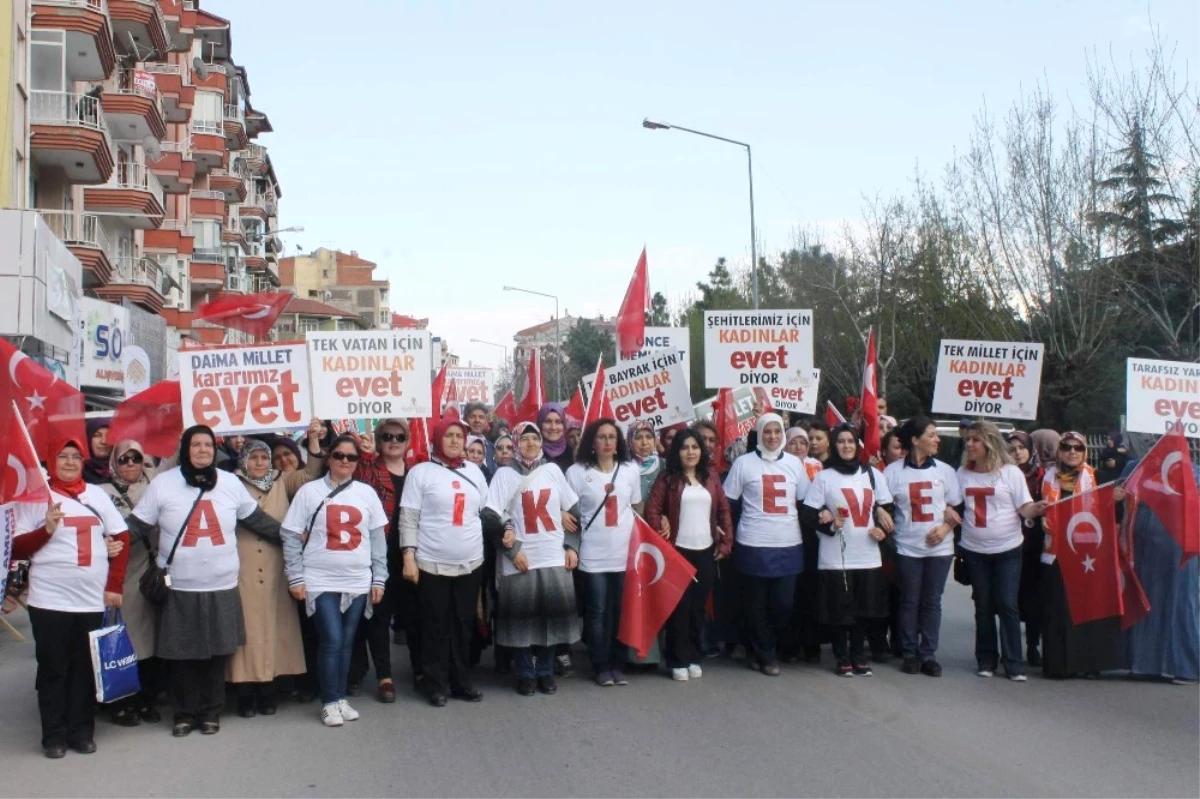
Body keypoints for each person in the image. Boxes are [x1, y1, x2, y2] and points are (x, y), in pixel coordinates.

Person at [126, 425, 282, 737]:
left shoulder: (229, 483)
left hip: (221, 584)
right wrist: (107, 542)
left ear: (215, 449)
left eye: (207, 445)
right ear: (185, 449)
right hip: (180, 585)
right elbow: (137, 525)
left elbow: (257, 520)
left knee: (216, 653)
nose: (202, 450)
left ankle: (211, 712)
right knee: (181, 655)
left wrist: (294, 537)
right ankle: (184, 714)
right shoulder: (164, 484)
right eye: (195, 445)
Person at [13, 434, 130, 758]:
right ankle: (53, 735)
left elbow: (121, 536)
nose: (68, 462)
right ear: (51, 461)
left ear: (83, 462)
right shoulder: (37, 498)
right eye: (62, 456)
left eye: (75, 457)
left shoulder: (96, 495)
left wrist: (114, 586)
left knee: (83, 668)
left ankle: (81, 731)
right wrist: (46, 528)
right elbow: (17, 547)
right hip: (49, 600)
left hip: (90, 599)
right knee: (53, 668)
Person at [282, 434, 386, 727]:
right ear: (329, 457)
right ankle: (328, 701)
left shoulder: (367, 493)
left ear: (357, 461)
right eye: (339, 455)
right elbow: (290, 534)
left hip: (357, 579)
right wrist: (296, 576)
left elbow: (378, 540)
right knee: (332, 639)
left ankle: (340, 697)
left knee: (347, 642)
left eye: (351, 457)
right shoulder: (309, 492)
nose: (344, 461)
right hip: (320, 577)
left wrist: (380, 579)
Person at [227, 426, 324, 718]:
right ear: (243, 459)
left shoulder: (283, 480)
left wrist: (315, 438)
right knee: (247, 634)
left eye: (263, 458)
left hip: (276, 568)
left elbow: (312, 473)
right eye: (253, 458)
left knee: (274, 629)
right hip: (242, 569)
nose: (259, 463)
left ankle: (269, 692)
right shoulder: (230, 484)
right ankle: (245, 695)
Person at [483, 422, 581, 696]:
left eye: (534, 439)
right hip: (521, 559)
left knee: (550, 618)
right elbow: (490, 517)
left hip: (552, 556)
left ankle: (546, 671)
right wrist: (512, 552)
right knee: (522, 621)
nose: (530, 443)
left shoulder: (553, 471)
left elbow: (574, 510)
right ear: (516, 442)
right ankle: (525, 672)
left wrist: (572, 547)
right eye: (524, 439)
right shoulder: (504, 474)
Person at [399, 417, 489, 707]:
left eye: (459, 436)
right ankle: (435, 683)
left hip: (470, 562)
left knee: (463, 623)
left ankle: (461, 680)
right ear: (438, 439)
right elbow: (409, 517)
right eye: (448, 435)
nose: (454, 440)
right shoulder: (420, 473)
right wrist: (408, 557)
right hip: (431, 562)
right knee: (435, 624)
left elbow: (485, 511)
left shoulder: (474, 471)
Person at [957, 420, 1047, 681]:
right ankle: (986, 659)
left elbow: (1024, 508)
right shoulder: (963, 473)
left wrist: (1037, 509)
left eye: (976, 439)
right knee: (983, 605)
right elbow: (951, 502)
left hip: (1007, 548)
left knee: (1008, 604)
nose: (970, 444)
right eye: (969, 440)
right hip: (974, 549)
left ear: (989, 442)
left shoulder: (1011, 473)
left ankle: (1014, 662)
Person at [722, 413, 811, 676]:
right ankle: (765, 654)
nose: (772, 436)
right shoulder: (743, 464)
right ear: (759, 433)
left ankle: (763, 646)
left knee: (783, 604)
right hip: (753, 543)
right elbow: (729, 503)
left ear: (783, 433)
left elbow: (805, 501)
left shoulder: (795, 464)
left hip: (788, 544)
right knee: (755, 604)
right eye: (767, 431)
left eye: (776, 431)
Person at [803, 424, 894, 677]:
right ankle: (842, 656)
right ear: (834, 445)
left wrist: (883, 529)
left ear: (858, 445)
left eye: (851, 441)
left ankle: (859, 655)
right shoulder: (824, 476)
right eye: (841, 441)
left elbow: (887, 509)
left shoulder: (873, 475)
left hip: (868, 555)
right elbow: (809, 514)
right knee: (840, 611)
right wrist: (829, 524)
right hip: (836, 557)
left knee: (863, 612)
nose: (846, 446)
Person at [645, 429, 733, 681]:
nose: (691, 452)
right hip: (677, 552)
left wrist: (726, 543)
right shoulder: (667, 479)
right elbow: (653, 511)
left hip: (705, 551)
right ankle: (677, 659)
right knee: (679, 610)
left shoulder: (711, 477)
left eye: (695, 447)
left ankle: (694, 656)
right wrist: (661, 528)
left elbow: (724, 511)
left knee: (698, 609)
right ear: (677, 452)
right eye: (685, 447)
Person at [1039, 431, 1123, 679]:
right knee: (1057, 608)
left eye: (1077, 447)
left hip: (1088, 554)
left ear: (1085, 451)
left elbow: (1113, 517)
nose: (1072, 452)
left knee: (1086, 608)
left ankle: (1087, 663)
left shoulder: (1099, 477)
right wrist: (1042, 516)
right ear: (1059, 451)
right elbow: (1036, 507)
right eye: (1066, 447)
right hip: (1055, 553)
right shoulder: (1047, 479)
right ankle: (1059, 664)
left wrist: (1115, 500)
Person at [567, 420, 642, 686]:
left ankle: (618, 663)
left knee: (620, 610)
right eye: (602, 437)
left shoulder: (630, 470)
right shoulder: (576, 473)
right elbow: (569, 511)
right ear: (592, 441)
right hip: (593, 554)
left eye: (612, 437)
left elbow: (637, 508)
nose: (608, 442)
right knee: (596, 611)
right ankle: (600, 665)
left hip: (624, 554)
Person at [885, 417, 961, 677]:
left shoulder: (945, 471)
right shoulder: (893, 472)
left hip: (939, 549)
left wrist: (944, 529)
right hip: (908, 547)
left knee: (931, 601)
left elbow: (956, 507)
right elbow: (884, 506)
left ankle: (928, 653)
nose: (937, 439)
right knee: (909, 600)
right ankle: (908, 652)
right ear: (915, 440)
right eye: (931, 435)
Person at [1122, 454, 1200, 685]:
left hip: (1178, 546)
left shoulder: (1194, 471)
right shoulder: (1134, 467)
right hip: (1142, 546)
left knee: (1179, 602)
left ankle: (1186, 667)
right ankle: (1144, 664)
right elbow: (1120, 500)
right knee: (1144, 600)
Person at [98, 440, 160, 727]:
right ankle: (124, 702)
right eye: (124, 459)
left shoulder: (156, 485)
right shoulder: (102, 493)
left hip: (156, 574)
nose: (131, 464)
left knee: (155, 638)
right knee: (129, 639)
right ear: (114, 463)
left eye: (136, 458)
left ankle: (149, 698)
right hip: (124, 574)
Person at [349, 419, 410, 701]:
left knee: (414, 613)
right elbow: (357, 479)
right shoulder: (370, 470)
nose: (393, 441)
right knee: (379, 615)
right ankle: (384, 675)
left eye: (399, 436)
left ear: (408, 441)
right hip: (380, 550)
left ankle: (421, 669)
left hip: (413, 551)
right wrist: (368, 455)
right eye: (387, 436)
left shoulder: (418, 472)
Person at [1006, 431, 1045, 667]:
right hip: (1007, 543)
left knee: (1032, 599)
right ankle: (1008, 650)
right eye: (1012, 449)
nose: (1017, 453)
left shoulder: (1042, 477)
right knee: (1007, 600)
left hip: (1033, 545)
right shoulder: (1001, 475)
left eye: (1021, 447)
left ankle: (1032, 646)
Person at [537, 403, 575, 472]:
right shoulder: (533, 452)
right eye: (548, 421)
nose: (553, 427)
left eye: (558, 422)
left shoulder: (574, 453)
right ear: (540, 424)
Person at [629, 421, 661, 500]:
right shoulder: (625, 469)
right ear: (630, 441)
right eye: (638, 438)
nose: (644, 442)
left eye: (649, 437)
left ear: (654, 440)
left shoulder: (665, 465)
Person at [464, 402, 495, 470]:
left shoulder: (491, 447)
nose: (477, 420)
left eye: (481, 417)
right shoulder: (459, 445)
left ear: (486, 421)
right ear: (466, 419)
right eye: (472, 416)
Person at [83, 418, 113, 485]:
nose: (104, 441)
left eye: (108, 435)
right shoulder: (76, 473)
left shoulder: (126, 468)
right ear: (88, 439)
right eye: (97, 435)